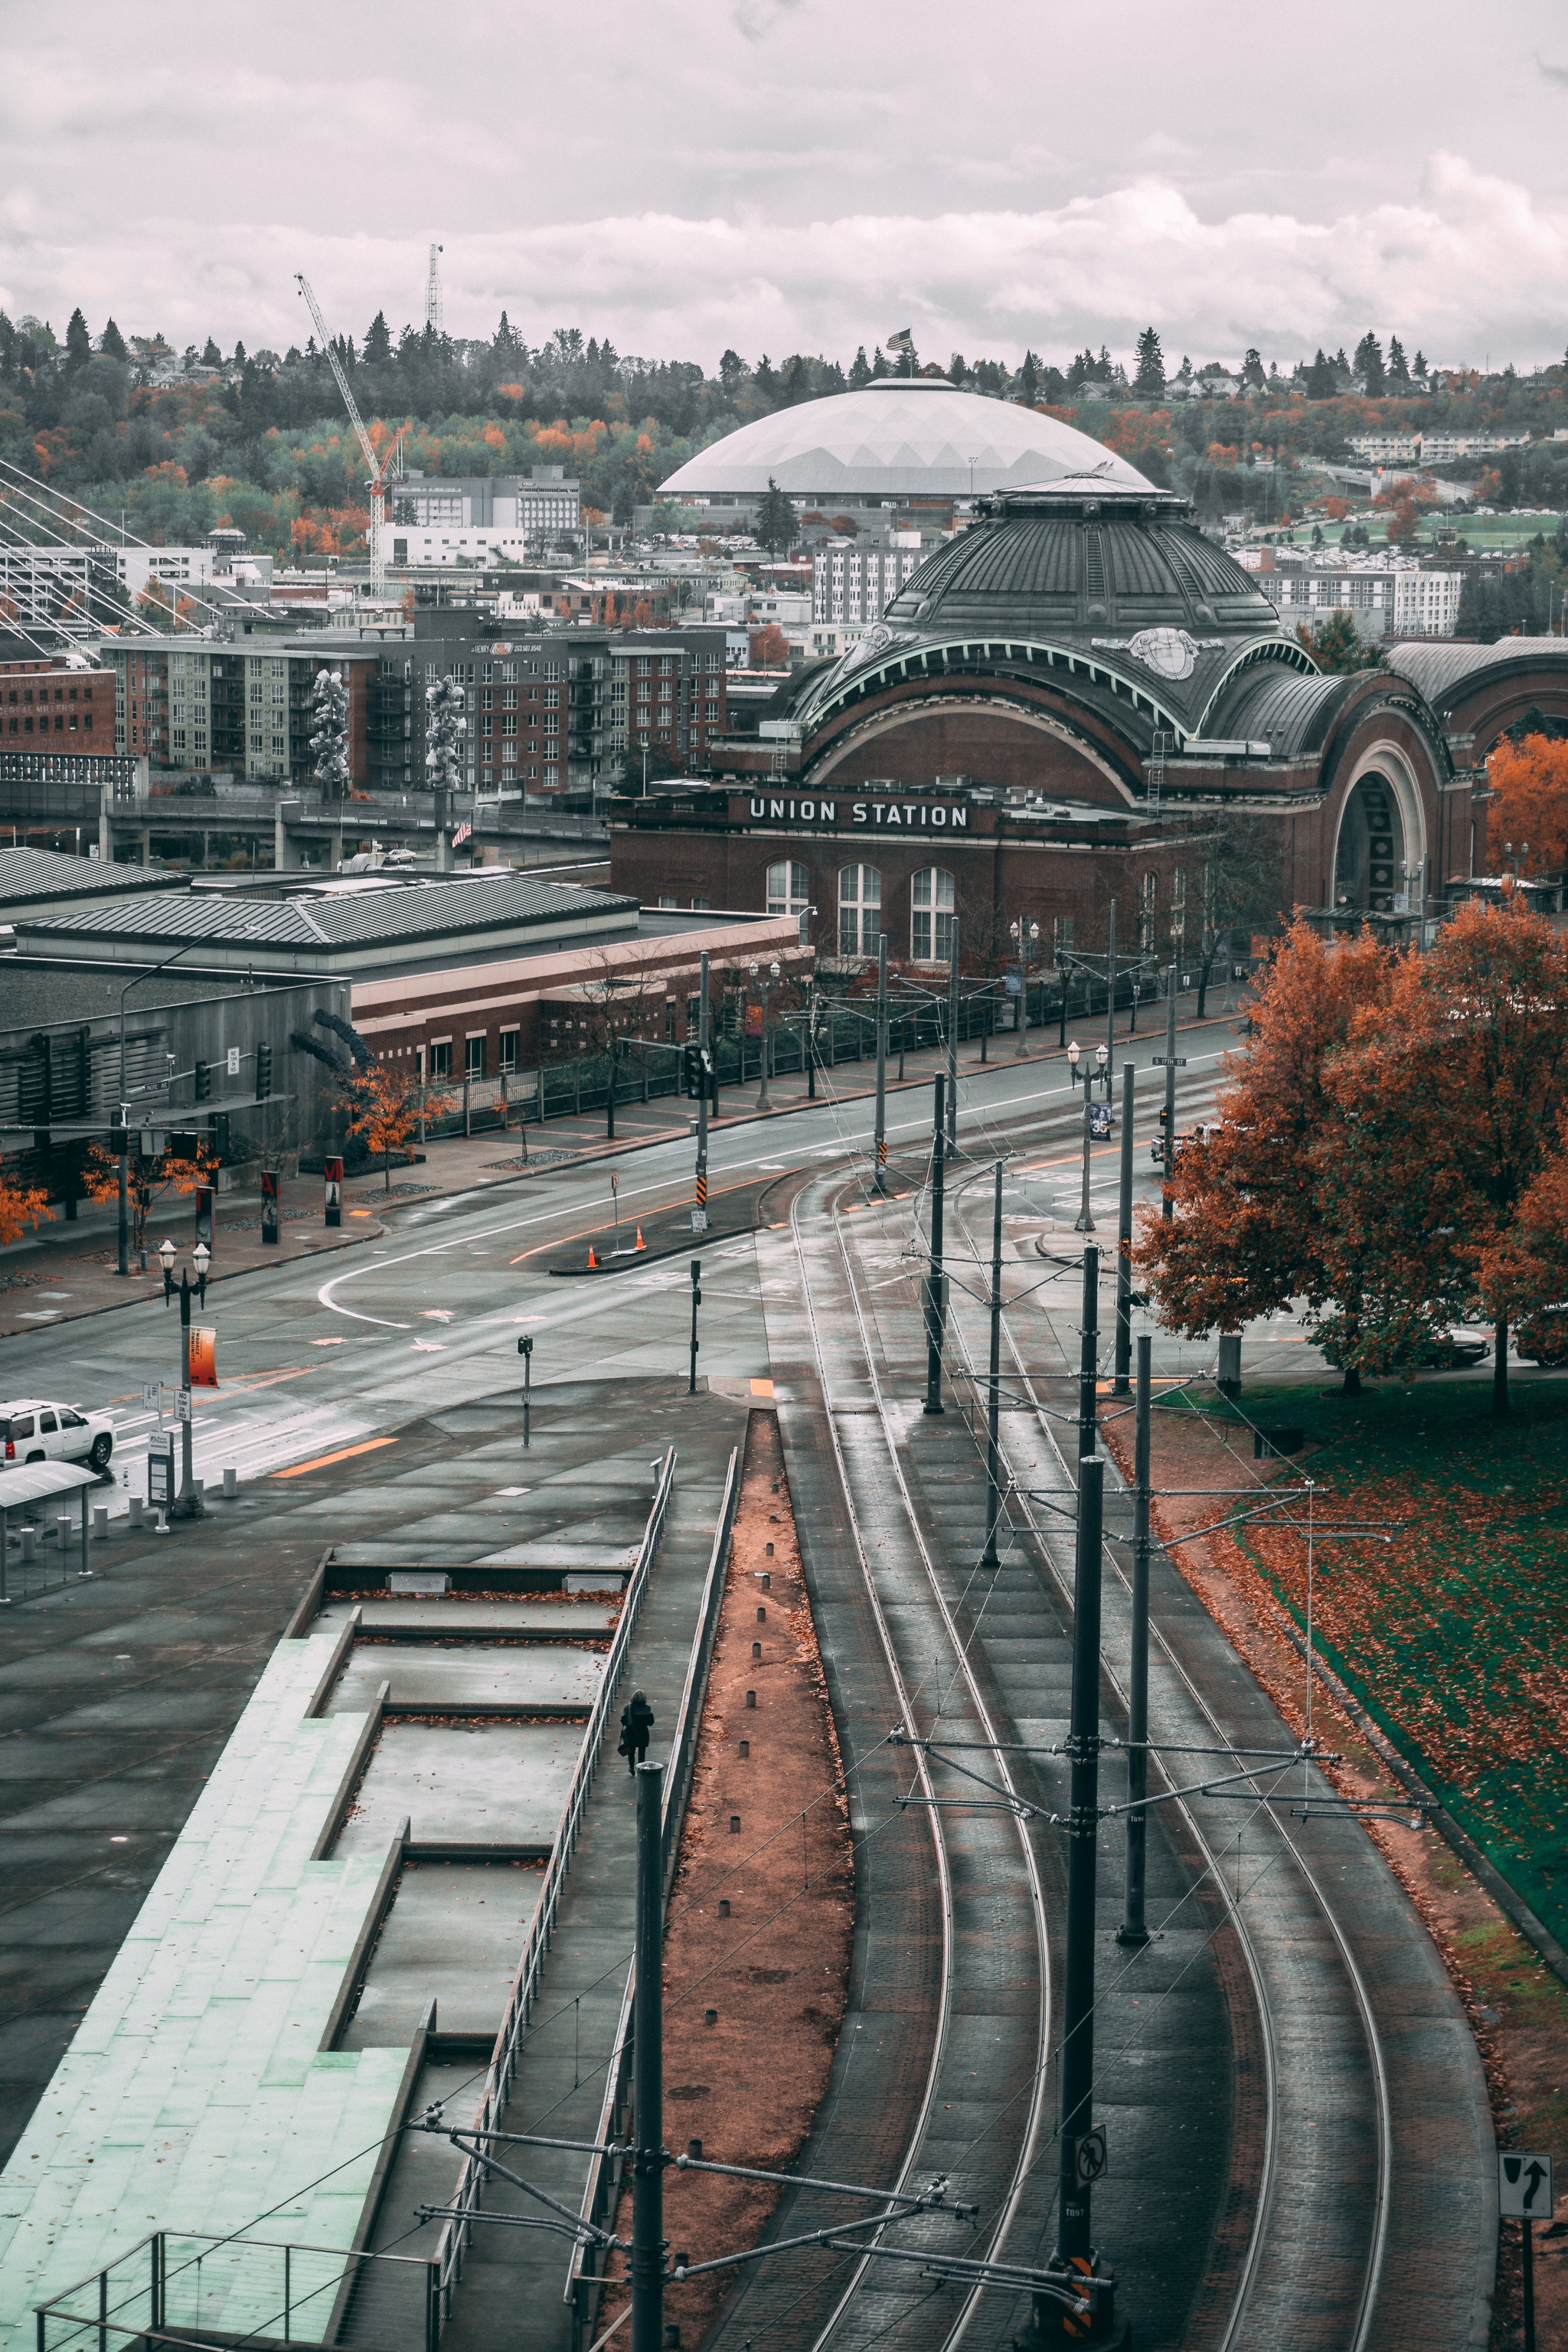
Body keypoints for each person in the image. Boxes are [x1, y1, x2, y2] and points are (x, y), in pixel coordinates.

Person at [619, 1689, 655, 1775]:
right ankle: (640, 1768)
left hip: (631, 1732)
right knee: (642, 1751)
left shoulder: (628, 1708)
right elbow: (650, 1723)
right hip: (643, 1733)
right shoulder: (647, 1708)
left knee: (631, 1751)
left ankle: (631, 1767)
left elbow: (623, 1721)